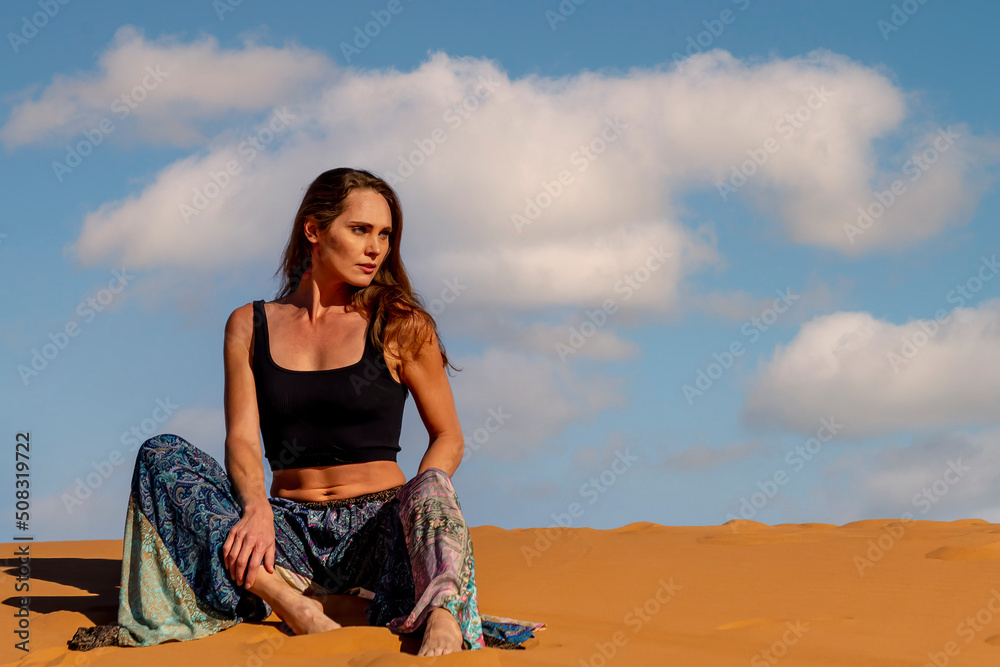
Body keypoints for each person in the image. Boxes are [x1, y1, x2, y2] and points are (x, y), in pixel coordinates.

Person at [68, 168, 544, 656]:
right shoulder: (249, 326)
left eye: (385, 234)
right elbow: (243, 440)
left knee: (433, 485)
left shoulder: (400, 324)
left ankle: (442, 613)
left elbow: (449, 437)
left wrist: (420, 507)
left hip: (379, 531)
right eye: (360, 230)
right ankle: (285, 597)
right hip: (285, 530)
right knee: (161, 454)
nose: (375, 248)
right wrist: (255, 508)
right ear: (314, 230)